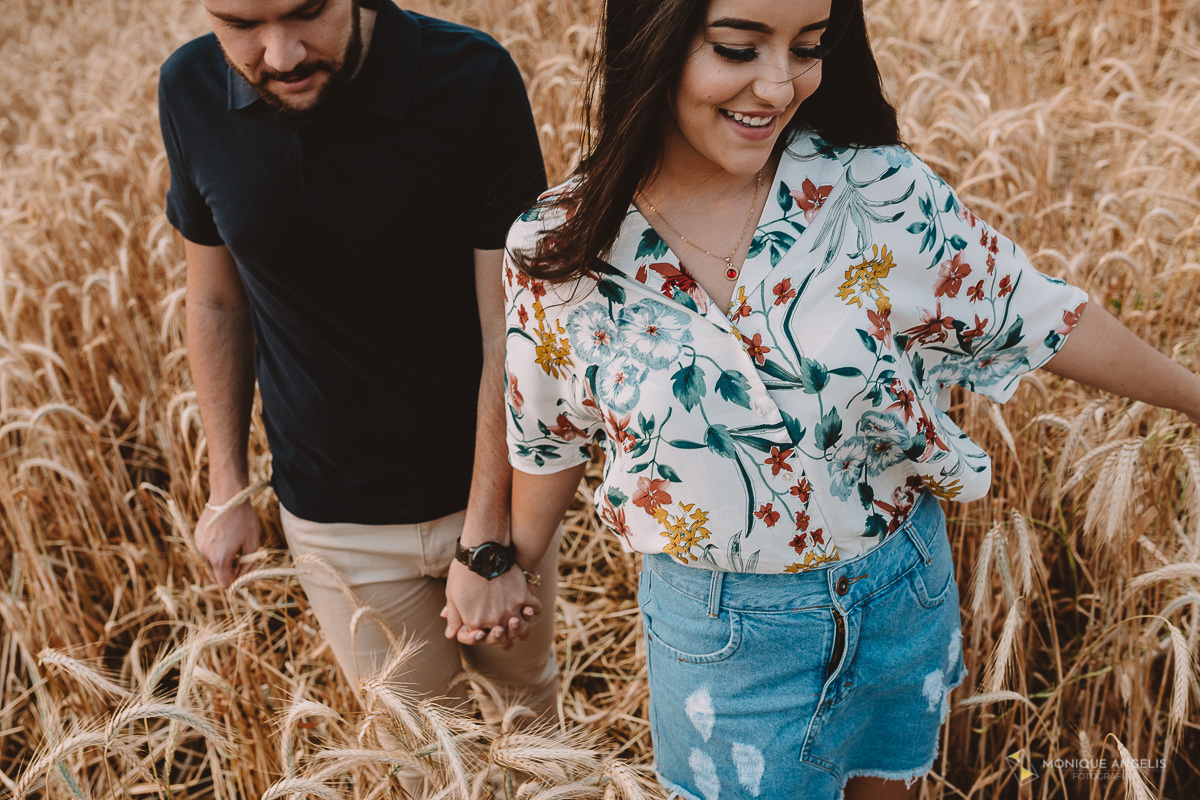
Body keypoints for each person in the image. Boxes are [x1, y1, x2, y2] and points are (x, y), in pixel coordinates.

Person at [443, 0, 1200, 797]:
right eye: (738, 47)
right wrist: (497, 562)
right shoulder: (558, 250)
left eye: (808, 47)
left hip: (900, 592)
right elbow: (546, 434)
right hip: (727, 639)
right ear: (653, 42)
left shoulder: (873, 187)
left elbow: (1035, 310)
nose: (778, 84)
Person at [157, 0, 558, 723]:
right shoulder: (188, 90)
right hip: (336, 522)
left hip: (493, 496)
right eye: (239, 24)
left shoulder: (470, 78)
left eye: (307, 12)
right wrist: (228, 488)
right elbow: (216, 302)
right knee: (424, 761)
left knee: (527, 720)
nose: (280, 55)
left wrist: (490, 539)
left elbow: (514, 326)